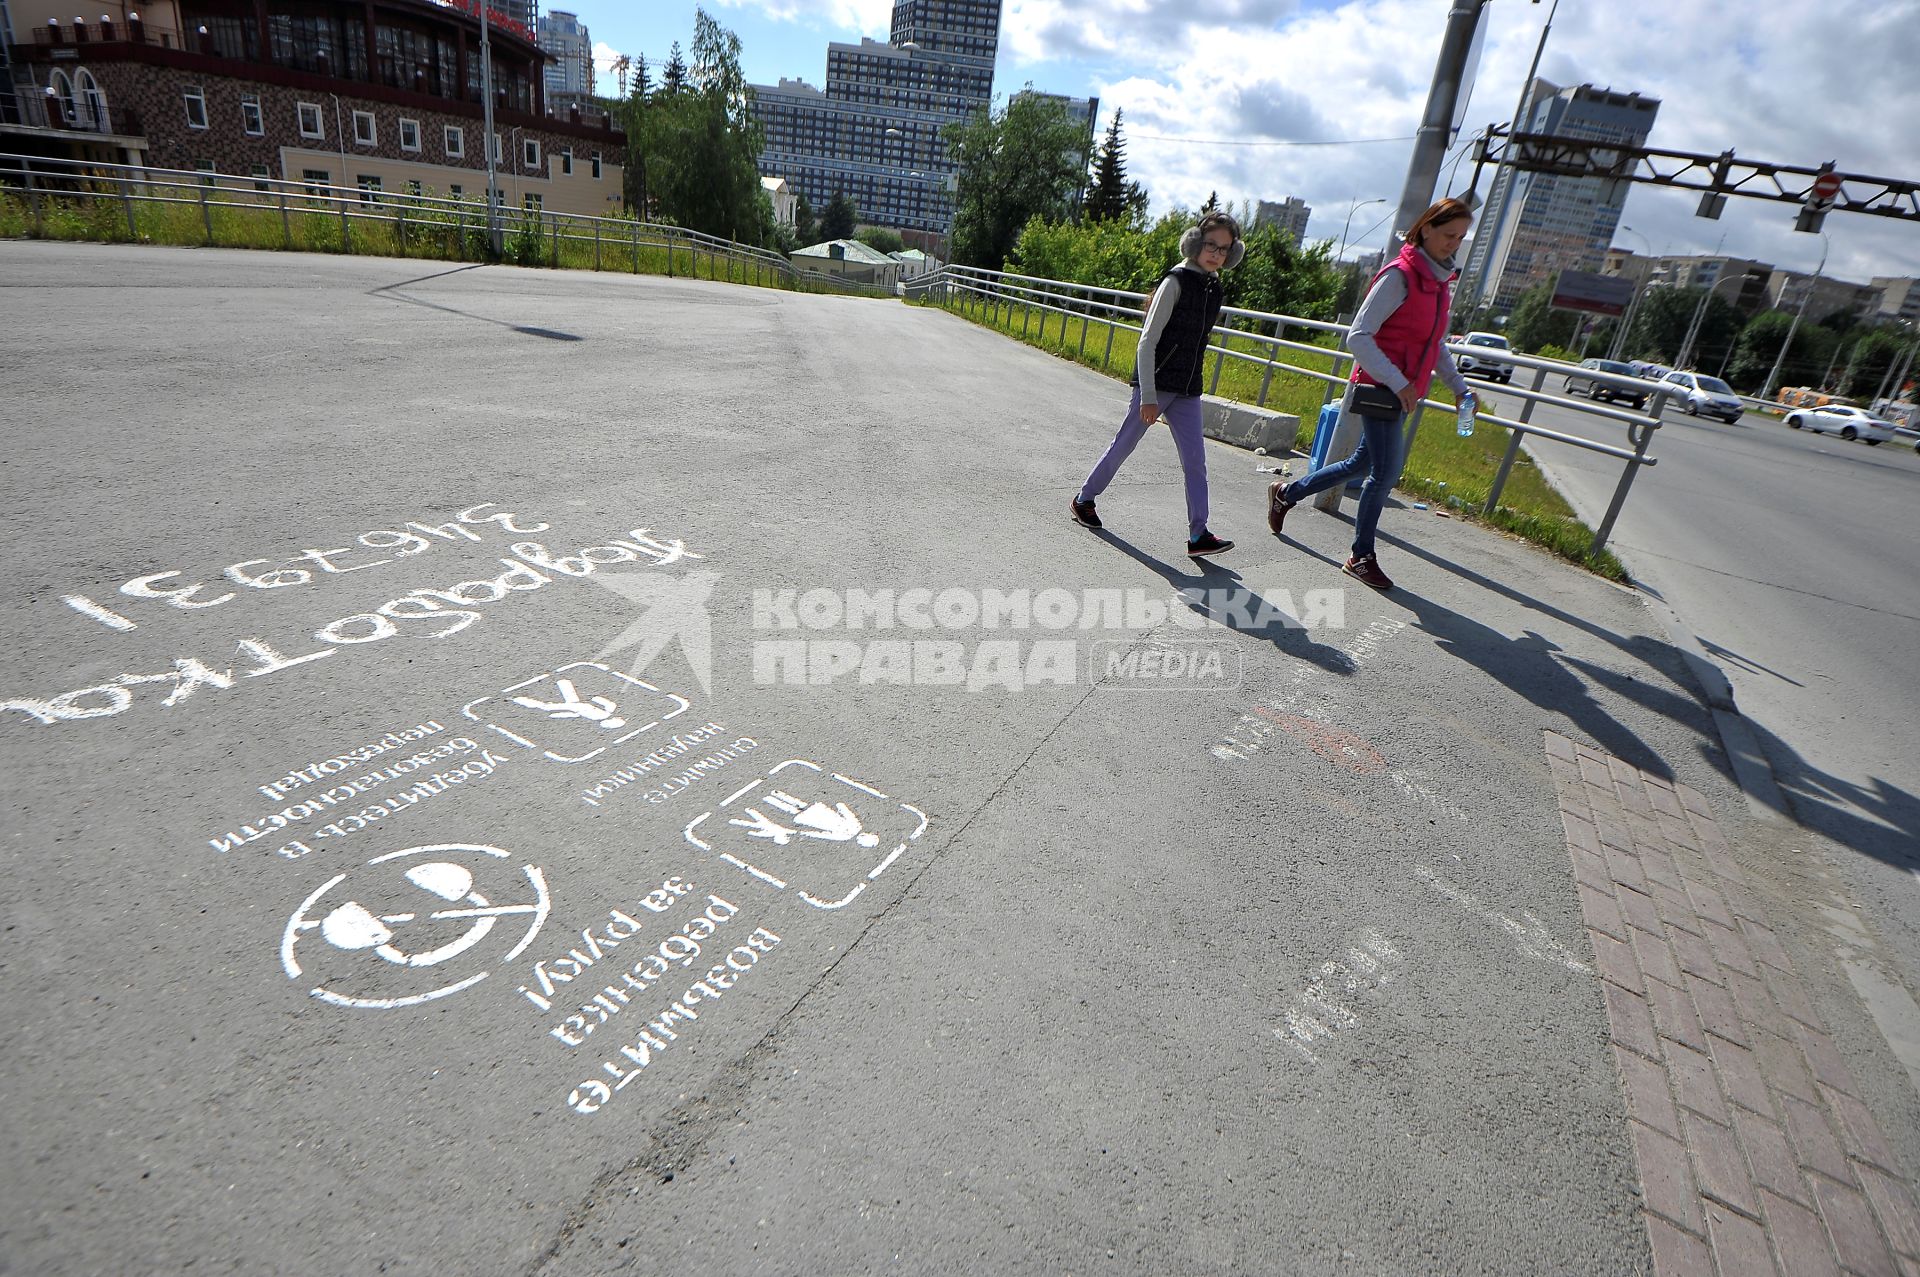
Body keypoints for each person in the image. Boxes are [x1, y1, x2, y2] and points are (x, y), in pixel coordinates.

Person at [1266, 197, 1475, 591]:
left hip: (1402, 393)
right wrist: (1399, 382)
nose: (1454, 243)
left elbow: (1436, 345)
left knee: (1359, 466)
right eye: (1449, 234)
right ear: (1426, 228)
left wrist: (1460, 388)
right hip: (1381, 388)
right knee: (1385, 474)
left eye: (1461, 238)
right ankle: (1361, 556)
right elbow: (1358, 336)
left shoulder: (1438, 283)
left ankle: (1285, 493)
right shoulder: (1399, 276)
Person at [1071, 212, 1244, 557]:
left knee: (1196, 462)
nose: (1216, 254)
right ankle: (1083, 500)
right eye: (1211, 245)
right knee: (1124, 445)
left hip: (1188, 389)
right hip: (1157, 384)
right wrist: (1148, 396)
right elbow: (1147, 342)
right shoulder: (1175, 282)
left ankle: (1199, 535)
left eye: (1225, 249)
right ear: (1195, 242)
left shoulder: (1214, 287)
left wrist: (1191, 384)